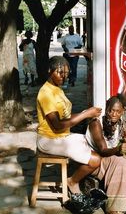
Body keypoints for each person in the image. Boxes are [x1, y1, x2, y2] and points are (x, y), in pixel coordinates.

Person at [36, 55, 102, 195]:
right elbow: (58, 125)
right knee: (95, 160)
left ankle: (82, 177)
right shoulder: (46, 93)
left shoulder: (57, 89)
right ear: (49, 70)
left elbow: (64, 118)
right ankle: (72, 181)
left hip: (62, 137)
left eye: (66, 74)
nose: (63, 77)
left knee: (90, 144)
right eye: (60, 73)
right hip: (49, 140)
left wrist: (84, 113)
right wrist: (85, 115)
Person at [85, 95, 126, 214]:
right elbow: (102, 150)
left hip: (107, 160)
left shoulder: (121, 123)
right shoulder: (96, 123)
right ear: (107, 110)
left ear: (122, 112)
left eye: (117, 111)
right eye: (111, 110)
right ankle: (113, 206)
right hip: (96, 161)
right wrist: (118, 149)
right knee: (120, 161)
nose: (114, 114)